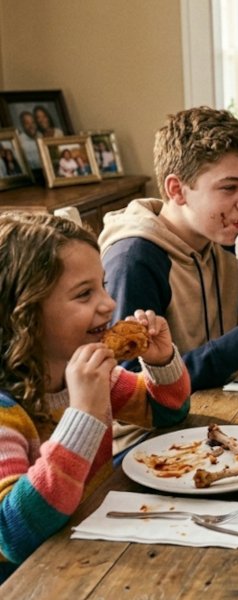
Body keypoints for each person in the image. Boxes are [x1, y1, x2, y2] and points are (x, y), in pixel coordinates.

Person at [0, 212, 191, 582]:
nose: (108, 303)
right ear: (24, 313)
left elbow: (167, 412)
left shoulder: (91, 373)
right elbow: (12, 535)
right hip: (33, 579)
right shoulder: (6, 412)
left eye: (103, 286)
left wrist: (161, 361)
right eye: (85, 293)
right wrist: (83, 415)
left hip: (93, 543)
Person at [99, 106, 238, 391]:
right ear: (176, 190)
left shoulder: (219, 242)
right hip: (155, 433)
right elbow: (129, 384)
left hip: (218, 409)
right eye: (229, 188)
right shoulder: (134, 259)